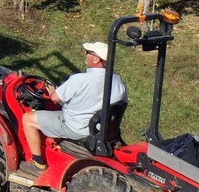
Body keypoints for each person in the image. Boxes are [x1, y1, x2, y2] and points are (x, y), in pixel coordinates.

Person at [19, 41, 127, 173]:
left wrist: (52, 92)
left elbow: (55, 98)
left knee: (28, 119)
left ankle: (38, 164)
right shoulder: (118, 82)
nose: (85, 55)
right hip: (102, 129)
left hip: (76, 127)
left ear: (96, 59)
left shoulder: (79, 80)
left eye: (88, 53)